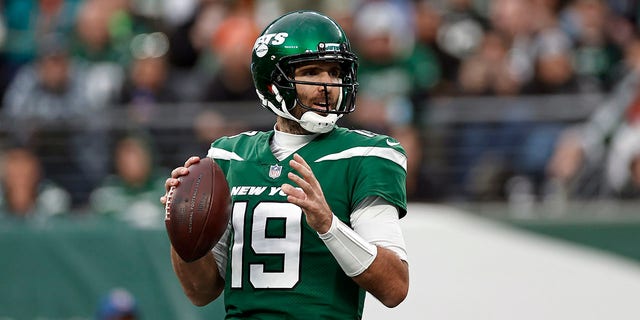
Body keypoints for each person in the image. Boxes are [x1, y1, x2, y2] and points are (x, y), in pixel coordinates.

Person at [160, 11, 409, 319]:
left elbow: (394, 287)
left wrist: (329, 225)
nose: (328, 85)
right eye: (313, 72)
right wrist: (181, 228)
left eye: (335, 72)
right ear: (272, 82)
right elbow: (201, 291)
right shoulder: (229, 156)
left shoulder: (365, 154)